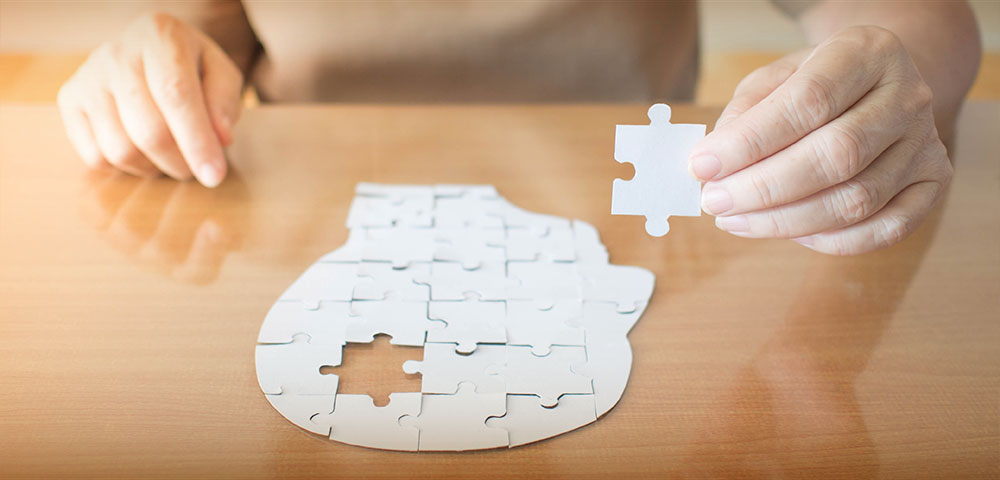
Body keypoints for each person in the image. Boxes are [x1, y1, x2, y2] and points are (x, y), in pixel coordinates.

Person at [56, 1, 982, 255]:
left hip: (636, 266)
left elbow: (919, 16)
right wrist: (143, 64)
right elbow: (196, 34)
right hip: (315, 245)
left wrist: (887, 68)